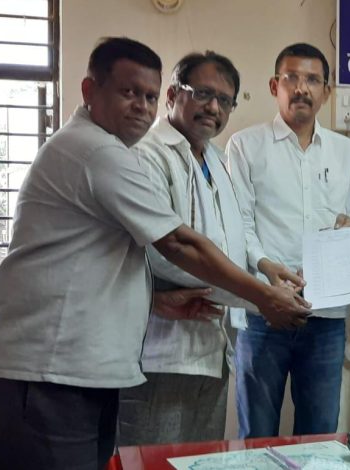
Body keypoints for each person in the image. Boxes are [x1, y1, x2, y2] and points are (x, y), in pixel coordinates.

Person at [0, 37, 309, 470]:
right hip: (51, 369)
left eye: (148, 96)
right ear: (90, 90)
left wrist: (164, 297)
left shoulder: (206, 159)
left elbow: (109, 259)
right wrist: (261, 296)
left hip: (98, 362)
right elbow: (175, 245)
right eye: (129, 92)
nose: (142, 106)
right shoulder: (104, 151)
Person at [227, 43, 350, 438]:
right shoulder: (245, 145)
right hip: (262, 312)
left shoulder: (345, 151)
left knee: (321, 435)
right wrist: (266, 270)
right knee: (257, 435)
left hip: (326, 317)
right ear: (275, 86)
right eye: (291, 78)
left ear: (326, 91)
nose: (301, 88)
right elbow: (238, 224)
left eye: (312, 79)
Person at [117, 51, 246, 445]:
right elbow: (162, 250)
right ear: (172, 95)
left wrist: (263, 276)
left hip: (212, 347)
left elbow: (229, 241)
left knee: (200, 460)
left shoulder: (216, 159)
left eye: (225, 100)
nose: (214, 108)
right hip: (160, 351)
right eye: (203, 93)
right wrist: (254, 294)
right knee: (151, 460)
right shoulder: (148, 153)